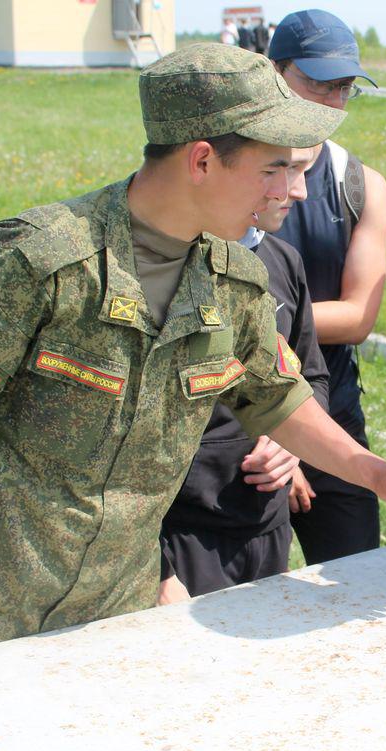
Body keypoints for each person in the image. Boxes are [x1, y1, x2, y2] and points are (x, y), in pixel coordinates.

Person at [0, 44, 386, 663]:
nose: (295, 190)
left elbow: (275, 397)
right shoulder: (42, 265)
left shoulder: (235, 281)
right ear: (202, 159)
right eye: (273, 168)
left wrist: (375, 472)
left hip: (106, 625)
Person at [159, 147, 328, 601]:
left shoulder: (284, 261)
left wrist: (293, 447)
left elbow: (310, 377)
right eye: (279, 170)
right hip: (182, 530)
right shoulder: (160, 268)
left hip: (265, 524)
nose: (298, 190)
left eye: (301, 170)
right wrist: (158, 571)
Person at [267, 10, 386, 565]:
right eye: (317, 81)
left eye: (343, 88)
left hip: (333, 407)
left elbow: (360, 316)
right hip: (238, 423)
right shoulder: (229, 170)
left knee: (356, 580)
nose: (330, 101)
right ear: (272, 71)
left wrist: (263, 324)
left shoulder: (358, 183)